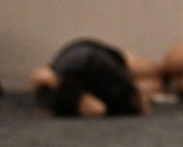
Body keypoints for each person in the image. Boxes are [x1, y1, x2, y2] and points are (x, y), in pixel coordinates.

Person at [30, 39, 163, 118]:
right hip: (86, 62)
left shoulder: (108, 71)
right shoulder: (51, 93)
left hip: (96, 57)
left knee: (155, 71)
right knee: (157, 83)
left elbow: (40, 76)